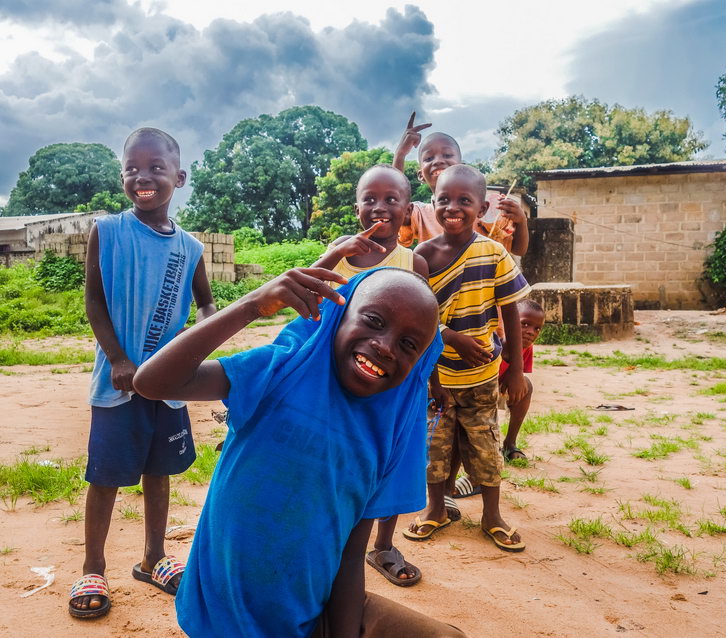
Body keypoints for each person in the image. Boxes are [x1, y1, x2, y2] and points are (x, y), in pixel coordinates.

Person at [133, 267, 466, 637]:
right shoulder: (280, 369)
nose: (386, 346)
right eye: (373, 320)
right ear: (338, 314)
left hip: (310, 617)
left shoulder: (388, 431)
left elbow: (351, 555)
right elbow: (153, 381)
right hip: (221, 615)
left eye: (408, 344)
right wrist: (253, 304)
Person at [68, 128, 217, 619]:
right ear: (123, 177)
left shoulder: (191, 248)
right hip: (118, 384)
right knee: (106, 476)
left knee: (159, 472)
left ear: (180, 176)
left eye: (155, 168)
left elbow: (206, 304)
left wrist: (194, 350)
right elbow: (94, 300)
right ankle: (93, 566)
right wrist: (117, 358)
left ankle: (154, 558)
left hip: (168, 387)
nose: (143, 177)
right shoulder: (107, 232)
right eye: (132, 168)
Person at [312, 164, 430, 588]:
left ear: (407, 208)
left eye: (391, 200)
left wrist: (425, 387)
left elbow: (420, 330)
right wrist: (335, 255)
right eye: (369, 199)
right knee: (334, 459)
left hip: (386, 383)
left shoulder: (412, 261)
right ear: (356, 205)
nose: (379, 208)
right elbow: (306, 304)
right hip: (334, 376)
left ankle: (382, 544)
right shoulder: (339, 251)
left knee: (386, 457)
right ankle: (331, 539)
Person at [404, 164, 530, 553]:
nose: (452, 207)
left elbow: (510, 311)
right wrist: (448, 347)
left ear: (482, 208)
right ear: (433, 203)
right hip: (436, 377)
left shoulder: (493, 254)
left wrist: (515, 372)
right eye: (444, 199)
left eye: (464, 200)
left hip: (482, 377)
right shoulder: (421, 256)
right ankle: (436, 510)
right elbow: (420, 317)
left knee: (486, 446)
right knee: (435, 450)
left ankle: (492, 515)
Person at [392, 112, 528, 257]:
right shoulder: (419, 214)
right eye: (429, 158)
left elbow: (518, 250)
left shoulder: (486, 209)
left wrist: (521, 221)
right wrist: (400, 155)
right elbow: (393, 204)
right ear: (421, 175)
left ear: (462, 166)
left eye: (447, 155)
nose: (438, 161)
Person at [498, 299, 545, 463]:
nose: (531, 332)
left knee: (527, 386)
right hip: (478, 393)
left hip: (500, 390)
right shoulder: (493, 343)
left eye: (537, 328)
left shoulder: (527, 348)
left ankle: (509, 443)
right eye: (524, 324)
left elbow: (518, 378)